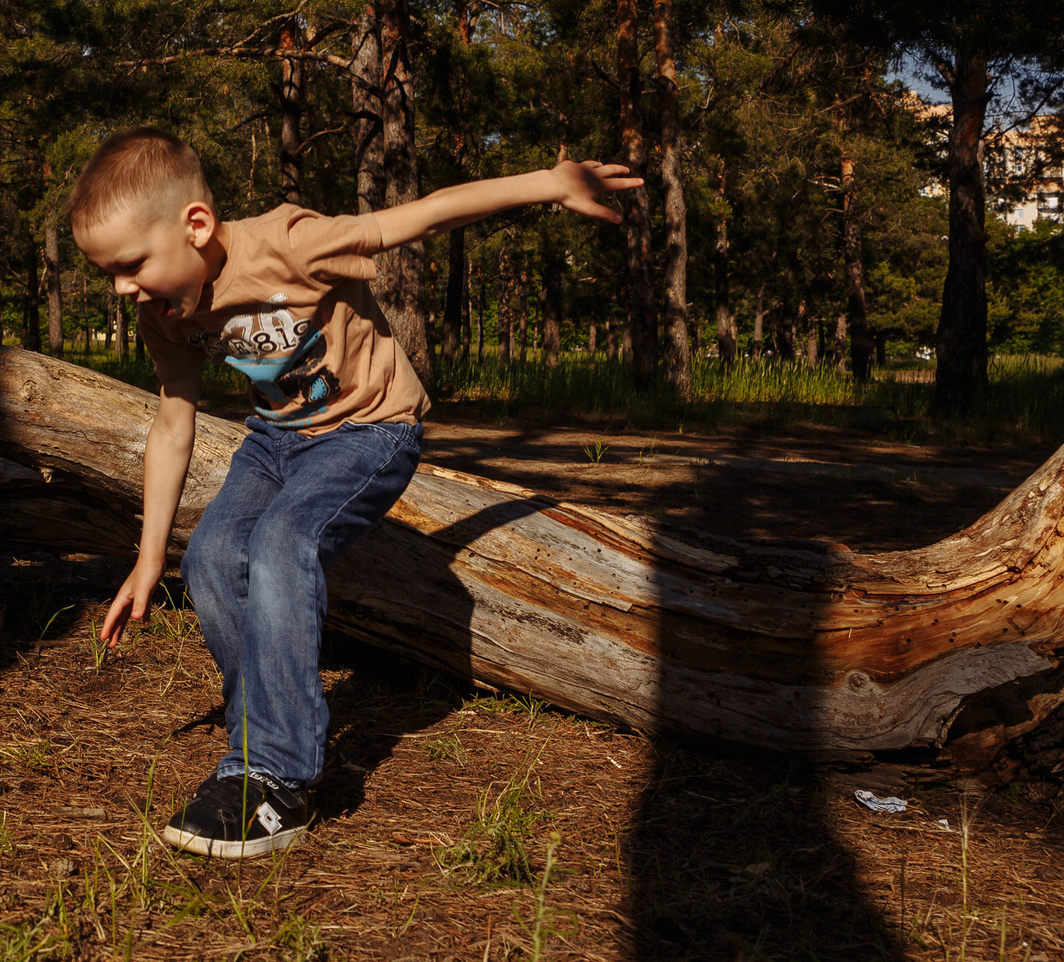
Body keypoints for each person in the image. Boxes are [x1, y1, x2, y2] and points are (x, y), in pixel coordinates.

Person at [72, 129, 641, 858]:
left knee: (282, 543)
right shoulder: (166, 311)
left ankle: (277, 776)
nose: (122, 287)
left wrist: (551, 182)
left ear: (196, 225)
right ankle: (259, 742)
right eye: (109, 273)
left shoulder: (289, 243)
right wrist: (150, 558)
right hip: (276, 439)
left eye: (130, 264)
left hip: (371, 431)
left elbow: (423, 215)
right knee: (211, 555)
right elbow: (173, 422)